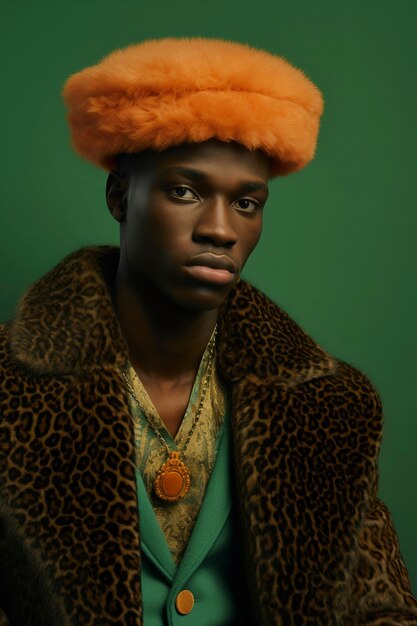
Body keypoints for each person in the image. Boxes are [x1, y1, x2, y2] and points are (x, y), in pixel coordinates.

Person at [0, 37, 416, 626]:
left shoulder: (334, 407)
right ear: (120, 196)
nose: (220, 229)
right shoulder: (7, 389)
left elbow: (380, 610)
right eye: (185, 192)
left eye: (247, 203)